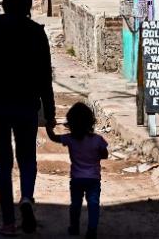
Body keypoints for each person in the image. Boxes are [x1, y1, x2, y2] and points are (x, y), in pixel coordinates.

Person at [0, 0, 55, 236]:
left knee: (3, 161)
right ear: (29, 5)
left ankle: (8, 222)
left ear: (5, 3)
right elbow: (44, 77)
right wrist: (50, 115)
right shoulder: (35, 32)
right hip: (27, 103)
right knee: (27, 156)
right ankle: (27, 197)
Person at [47, 102, 108, 238]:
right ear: (90, 122)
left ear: (71, 123)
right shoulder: (97, 140)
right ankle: (92, 230)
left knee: (75, 204)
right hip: (93, 179)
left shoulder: (69, 139)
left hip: (76, 179)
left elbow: (53, 137)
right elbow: (105, 154)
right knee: (93, 204)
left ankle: (74, 227)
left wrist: (49, 127)